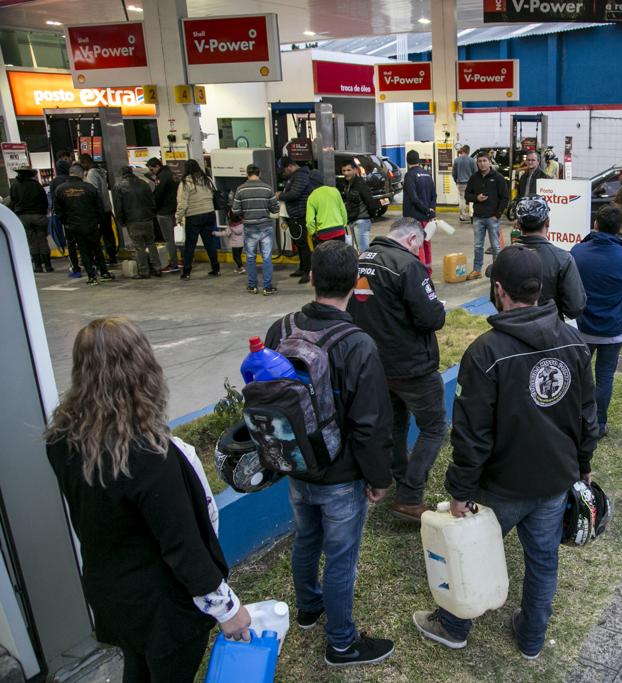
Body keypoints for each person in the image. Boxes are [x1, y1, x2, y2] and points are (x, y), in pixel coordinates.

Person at [412, 245, 598, 659]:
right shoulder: (574, 341)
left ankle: (454, 626)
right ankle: (532, 638)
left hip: (502, 485)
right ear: (539, 289)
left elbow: (471, 434)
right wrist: (583, 466)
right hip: (554, 480)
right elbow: (588, 416)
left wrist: (460, 491)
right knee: (543, 561)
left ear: (499, 290)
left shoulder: (486, 352)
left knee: (473, 552)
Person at [45, 318, 251, 682]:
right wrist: (227, 609)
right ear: (144, 369)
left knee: (137, 665)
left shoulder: (63, 437)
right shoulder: (148, 456)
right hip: (163, 609)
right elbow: (183, 547)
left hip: (110, 592)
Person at [263, 241, 396, 667]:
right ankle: (341, 643)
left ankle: (307, 608)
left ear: (311, 279)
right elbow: (370, 424)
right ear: (357, 284)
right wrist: (378, 479)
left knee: (305, 539)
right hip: (341, 478)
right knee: (340, 558)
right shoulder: (358, 344)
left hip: (296, 466)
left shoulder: (279, 331)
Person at [348, 218, 447, 521]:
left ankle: (397, 476)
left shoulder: (361, 259)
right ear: (413, 240)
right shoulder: (408, 265)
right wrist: (438, 307)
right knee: (434, 427)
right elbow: (431, 318)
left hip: (376, 363)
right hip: (412, 365)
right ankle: (409, 496)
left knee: (395, 424)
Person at [571, 205, 622, 438]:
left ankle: (573, 420)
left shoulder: (577, 251)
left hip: (581, 327)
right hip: (612, 329)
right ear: (620, 229)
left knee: (578, 375)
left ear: (595, 225)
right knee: (605, 377)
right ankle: (599, 424)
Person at [511, 196, 586, 320]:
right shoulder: (563, 259)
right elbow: (575, 308)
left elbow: (497, 300)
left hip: (512, 330)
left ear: (518, 224)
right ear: (547, 222)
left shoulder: (504, 258)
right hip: (549, 331)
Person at [53, 164, 115, 286]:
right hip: (91, 225)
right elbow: (99, 208)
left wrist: (67, 223)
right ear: (81, 174)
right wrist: (99, 222)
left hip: (74, 226)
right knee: (97, 249)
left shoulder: (60, 190)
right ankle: (104, 273)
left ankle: (91, 276)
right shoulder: (89, 188)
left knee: (83, 250)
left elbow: (58, 210)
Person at [231, 164, 280, 295]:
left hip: (249, 227)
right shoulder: (267, 188)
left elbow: (235, 210)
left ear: (247, 174)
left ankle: (252, 286)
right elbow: (276, 208)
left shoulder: (240, 189)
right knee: (267, 257)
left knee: (251, 257)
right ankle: (267, 287)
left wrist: (244, 215)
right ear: (260, 174)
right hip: (265, 227)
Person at [465, 153, 510, 280]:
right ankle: (477, 270)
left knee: (496, 246)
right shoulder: (474, 178)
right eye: (479, 161)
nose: (482, 163)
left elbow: (505, 198)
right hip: (478, 217)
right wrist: (476, 198)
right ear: (477, 163)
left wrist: (497, 214)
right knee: (478, 246)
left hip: (492, 218)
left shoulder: (498, 178)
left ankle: (498, 271)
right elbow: (467, 195)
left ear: (489, 162)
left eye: (485, 160)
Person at [112, 167, 162, 279]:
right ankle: (157, 268)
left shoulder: (119, 186)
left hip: (133, 220)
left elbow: (118, 206)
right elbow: (152, 200)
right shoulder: (143, 183)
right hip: (148, 218)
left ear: (121, 174)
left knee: (139, 246)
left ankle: (144, 271)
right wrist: (152, 214)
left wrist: (121, 220)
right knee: (151, 243)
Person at [175, 160, 220, 281]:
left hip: (194, 216)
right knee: (209, 243)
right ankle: (216, 268)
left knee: (190, 245)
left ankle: (187, 272)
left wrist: (178, 217)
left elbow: (182, 203)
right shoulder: (207, 180)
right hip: (209, 214)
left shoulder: (186, 182)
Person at [279, 157, 318, 284]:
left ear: (290, 166)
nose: (284, 174)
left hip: (301, 215)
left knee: (304, 245)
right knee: (300, 245)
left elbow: (294, 194)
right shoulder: (294, 177)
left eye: (284, 171)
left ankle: (307, 271)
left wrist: (280, 195)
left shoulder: (300, 176)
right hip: (295, 215)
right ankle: (302, 268)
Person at [402, 150, 437, 275]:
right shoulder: (427, 174)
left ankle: (420, 275)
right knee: (427, 244)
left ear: (407, 160)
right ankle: (428, 272)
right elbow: (434, 195)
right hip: (426, 218)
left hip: (414, 218)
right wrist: (431, 210)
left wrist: (426, 210)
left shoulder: (409, 175)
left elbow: (413, 198)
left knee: (417, 246)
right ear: (418, 160)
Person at [9, 167, 51, 272]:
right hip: (39, 215)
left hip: (24, 216)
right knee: (42, 240)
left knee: (32, 241)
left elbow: (13, 201)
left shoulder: (14, 186)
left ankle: (38, 266)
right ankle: (48, 265)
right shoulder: (36, 185)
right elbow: (44, 201)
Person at [79, 154, 118, 265]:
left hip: (98, 210)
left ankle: (99, 259)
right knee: (108, 234)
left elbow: (93, 192)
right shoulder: (100, 171)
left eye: (81, 163)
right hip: (106, 208)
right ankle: (112, 257)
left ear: (85, 162)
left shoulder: (91, 174)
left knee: (95, 236)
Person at [147, 157, 180, 273]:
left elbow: (158, 195)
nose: (152, 172)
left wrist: (152, 206)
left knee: (169, 239)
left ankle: (173, 264)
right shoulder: (172, 174)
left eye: (152, 170)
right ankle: (180, 260)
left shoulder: (161, 177)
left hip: (164, 212)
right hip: (175, 210)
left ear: (157, 166)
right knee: (179, 238)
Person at [50, 154, 81, 277]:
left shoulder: (55, 182)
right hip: (80, 216)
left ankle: (75, 268)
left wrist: (62, 218)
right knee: (83, 242)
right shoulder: (74, 180)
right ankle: (91, 265)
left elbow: (55, 201)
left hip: (67, 219)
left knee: (71, 243)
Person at [339, 160, 379, 252]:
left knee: (363, 250)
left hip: (361, 221)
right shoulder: (347, 184)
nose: (346, 173)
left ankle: (365, 265)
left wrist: (370, 217)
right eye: (344, 171)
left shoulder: (360, 184)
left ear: (355, 170)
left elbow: (370, 202)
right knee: (359, 249)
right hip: (353, 220)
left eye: (348, 170)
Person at [307, 180, 348, 246]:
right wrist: (343, 225)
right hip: (339, 230)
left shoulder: (312, 196)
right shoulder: (335, 191)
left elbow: (309, 221)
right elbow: (343, 211)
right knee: (340, 253)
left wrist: (313, 233)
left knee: (327, 254)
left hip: (324, 233)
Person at [452, 145, 475, 222]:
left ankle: (462, 216)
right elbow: (475, 172)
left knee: (462, 199)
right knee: (471, 199)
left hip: (460, 183)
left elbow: (453, 173)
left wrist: (456, 180)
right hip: (470, 183)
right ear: (468, 151)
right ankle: (472, 215)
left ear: (462, 150)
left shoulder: (456, 160)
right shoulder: (472, 160)